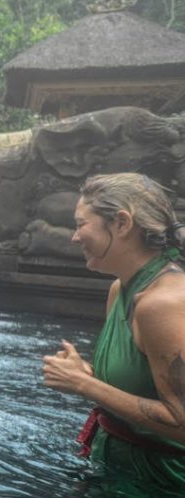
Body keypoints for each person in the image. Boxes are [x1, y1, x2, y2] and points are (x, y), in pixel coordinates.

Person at [42, 172, 185, 492]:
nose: (74, 237)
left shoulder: (162, 304)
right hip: (115, 468)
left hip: (163, 481)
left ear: (122, 224)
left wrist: (84, 384)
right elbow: (141, 387)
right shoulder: (120, 289)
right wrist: (88, 374)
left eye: (81, 224)